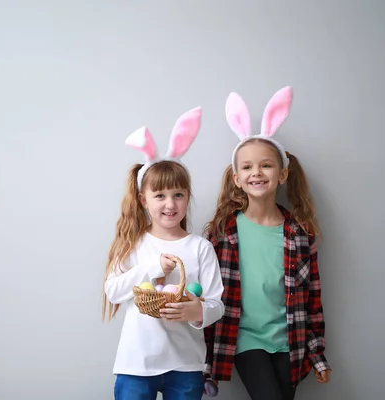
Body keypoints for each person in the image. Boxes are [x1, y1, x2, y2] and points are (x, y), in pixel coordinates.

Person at [202, 87, 331, 400]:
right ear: (236, 178)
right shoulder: (223, 233)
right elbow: (206, 293)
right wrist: (205, 361)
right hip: (244, 338)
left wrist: (316, 355)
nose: (256, 173)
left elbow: (312, 298)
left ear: (283, 174)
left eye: (266, 165)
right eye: (246, 167)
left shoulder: (300, 235)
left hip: (291, 339)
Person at [102, 106, 225, 400]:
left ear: (187, 198)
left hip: (186, 364)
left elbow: (217, 303)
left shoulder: (200, 247)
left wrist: (197, 312)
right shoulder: (134, 243)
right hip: (137, 363)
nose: (170, 203)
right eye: (160, 195)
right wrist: (152, 266)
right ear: (144, 200)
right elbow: (113, 291)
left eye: (178, 195)